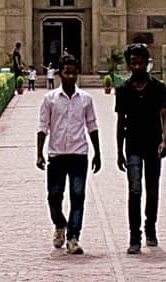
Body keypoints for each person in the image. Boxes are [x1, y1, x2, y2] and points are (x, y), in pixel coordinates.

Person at [37, 56, 101, 255]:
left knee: (78, 196)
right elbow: (43, 127)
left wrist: (97, 153)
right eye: (67, 72)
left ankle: (73, 237)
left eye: (74, 73)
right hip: (56, 155)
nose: (71, 77)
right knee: (54, 197)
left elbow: (92, 126)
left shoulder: (86, 99)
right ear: (59, 74)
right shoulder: (50, 99)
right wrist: (39, 153)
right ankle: (60, 224)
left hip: (78, 154)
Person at [115, 43, 166, 254]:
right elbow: (121, 121)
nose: (137, 66)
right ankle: (134, 235)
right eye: (133, 62)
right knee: (134, 189)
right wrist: (118, 150)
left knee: (152, 190)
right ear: (129, 64)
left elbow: (165, 116)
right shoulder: (124, 90)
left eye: (141, 62)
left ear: (147, 63)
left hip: (153, 145)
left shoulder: (158, 88)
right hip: (133, 146)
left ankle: (150, 227)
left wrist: (164, 141)